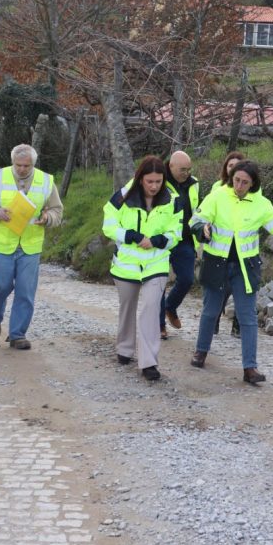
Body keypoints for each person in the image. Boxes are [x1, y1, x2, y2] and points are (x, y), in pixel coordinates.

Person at [189, 160, 273, 384]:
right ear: (231, 178)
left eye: (245, 182)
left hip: (245, 268)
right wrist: (203, 229)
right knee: (210, 312)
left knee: (247, 317)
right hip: (216, 264)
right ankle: (201, 351)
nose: (239, 186)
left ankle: (250, 368)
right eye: (236, 180)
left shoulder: (260, 203)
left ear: (253, 183)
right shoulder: (217, 196)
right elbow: (197, 220)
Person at [0, 144, 63, 351]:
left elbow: (57, 211)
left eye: (27, 166)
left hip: (30, 246)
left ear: (33, 164)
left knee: (26, 290)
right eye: (18, 165)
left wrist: (47, 218)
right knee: (1, 285)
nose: (22, 169)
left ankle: (17, 334)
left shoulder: (46, 181)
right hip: (1, 244)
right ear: (12, 162)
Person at [103, 155, 182, 381]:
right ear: (140, 179)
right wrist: (130, 235)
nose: (154, 186)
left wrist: (158, 240)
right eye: (150, 181)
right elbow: (108, 225)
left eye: (158, 181)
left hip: (156, 263)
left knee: (150, 308)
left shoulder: (173, 200)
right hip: (126, 265)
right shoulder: (122, 196)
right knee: (127, 307)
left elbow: (176, 233)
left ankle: (149, 362)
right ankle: (125, 348)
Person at [159, 151, 200, 340]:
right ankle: (159, 325)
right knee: (159, 282)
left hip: (184, 240)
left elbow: (197, 210)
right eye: (183, 169)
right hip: (162, 240)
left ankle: (170, 306)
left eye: (189, 169)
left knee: (187, 279)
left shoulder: (194, 183)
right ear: (171, 166)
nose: (187, 173)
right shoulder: (159, 181)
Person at [212, 150, 248, 336]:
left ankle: (238, 326)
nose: (233, 169)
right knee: (224, 287)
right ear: (226, 168)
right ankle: (215, 317)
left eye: (237, 166)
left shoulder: (252, 191)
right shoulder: (217, 188)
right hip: (223, 247)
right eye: (230, 165)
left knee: (243, 289)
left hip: (244, 247)